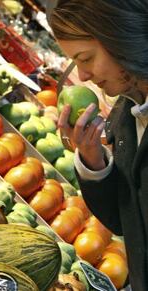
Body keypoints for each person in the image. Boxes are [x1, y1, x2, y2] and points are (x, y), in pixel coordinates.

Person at [48, 0, 148, 290]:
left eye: (86, 58)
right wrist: (93, 158)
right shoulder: (126, 112)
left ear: (121, 39)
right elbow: (125, 221)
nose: (82, 76)